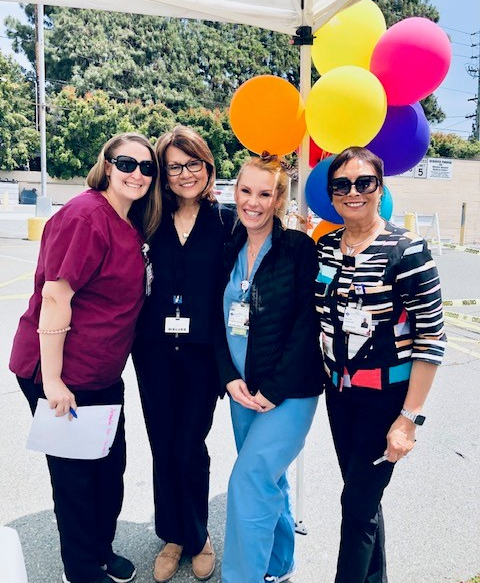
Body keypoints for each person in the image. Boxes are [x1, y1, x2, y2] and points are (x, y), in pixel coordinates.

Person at [9, 132, 162, 583]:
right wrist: (54, 381)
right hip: (63, 374)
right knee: (76, 480)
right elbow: (56, 296)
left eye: (147, 168)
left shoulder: (127, 219)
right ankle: (79, 568)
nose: (137, 174)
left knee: (108, 468)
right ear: (108, 165)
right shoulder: (85, 216)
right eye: (127, 163)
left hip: (100, 374)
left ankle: (100, 549)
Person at [315, 146, 446, 583]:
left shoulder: (407, 251)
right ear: (332, 194)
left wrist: (408, 419)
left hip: (384, 398)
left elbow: (431, 340)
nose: (353, 192)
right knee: (363, 501)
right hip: (340, 396)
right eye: (342, 185)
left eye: (363, 183)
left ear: (380, 188)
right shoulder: (328, 246)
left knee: (355, 506)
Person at [131, 126, 234, 583]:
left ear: (208, 167)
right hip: (152, 350)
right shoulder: (146, 219)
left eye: (194, 163)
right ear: (163, 173)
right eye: (174, 166)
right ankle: (172, 534)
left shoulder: (227, 221)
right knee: (162, 443)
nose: (185, 173)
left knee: (190, 443)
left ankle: (198, 537)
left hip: (201, 355)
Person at [215, 153, 324, 583]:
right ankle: (280, 562)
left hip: (288, 393)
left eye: (264, 193)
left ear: (279, 198)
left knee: (248, 479)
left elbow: (306, 323)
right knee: (267, 480)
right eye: (245, 191)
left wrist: (273, 389)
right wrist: (229, 377)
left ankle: (240, 577)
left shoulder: (298, 248)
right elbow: (212, 319)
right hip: (241, 390)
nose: (253, 202)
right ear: (235, 191)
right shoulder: (229, 248)